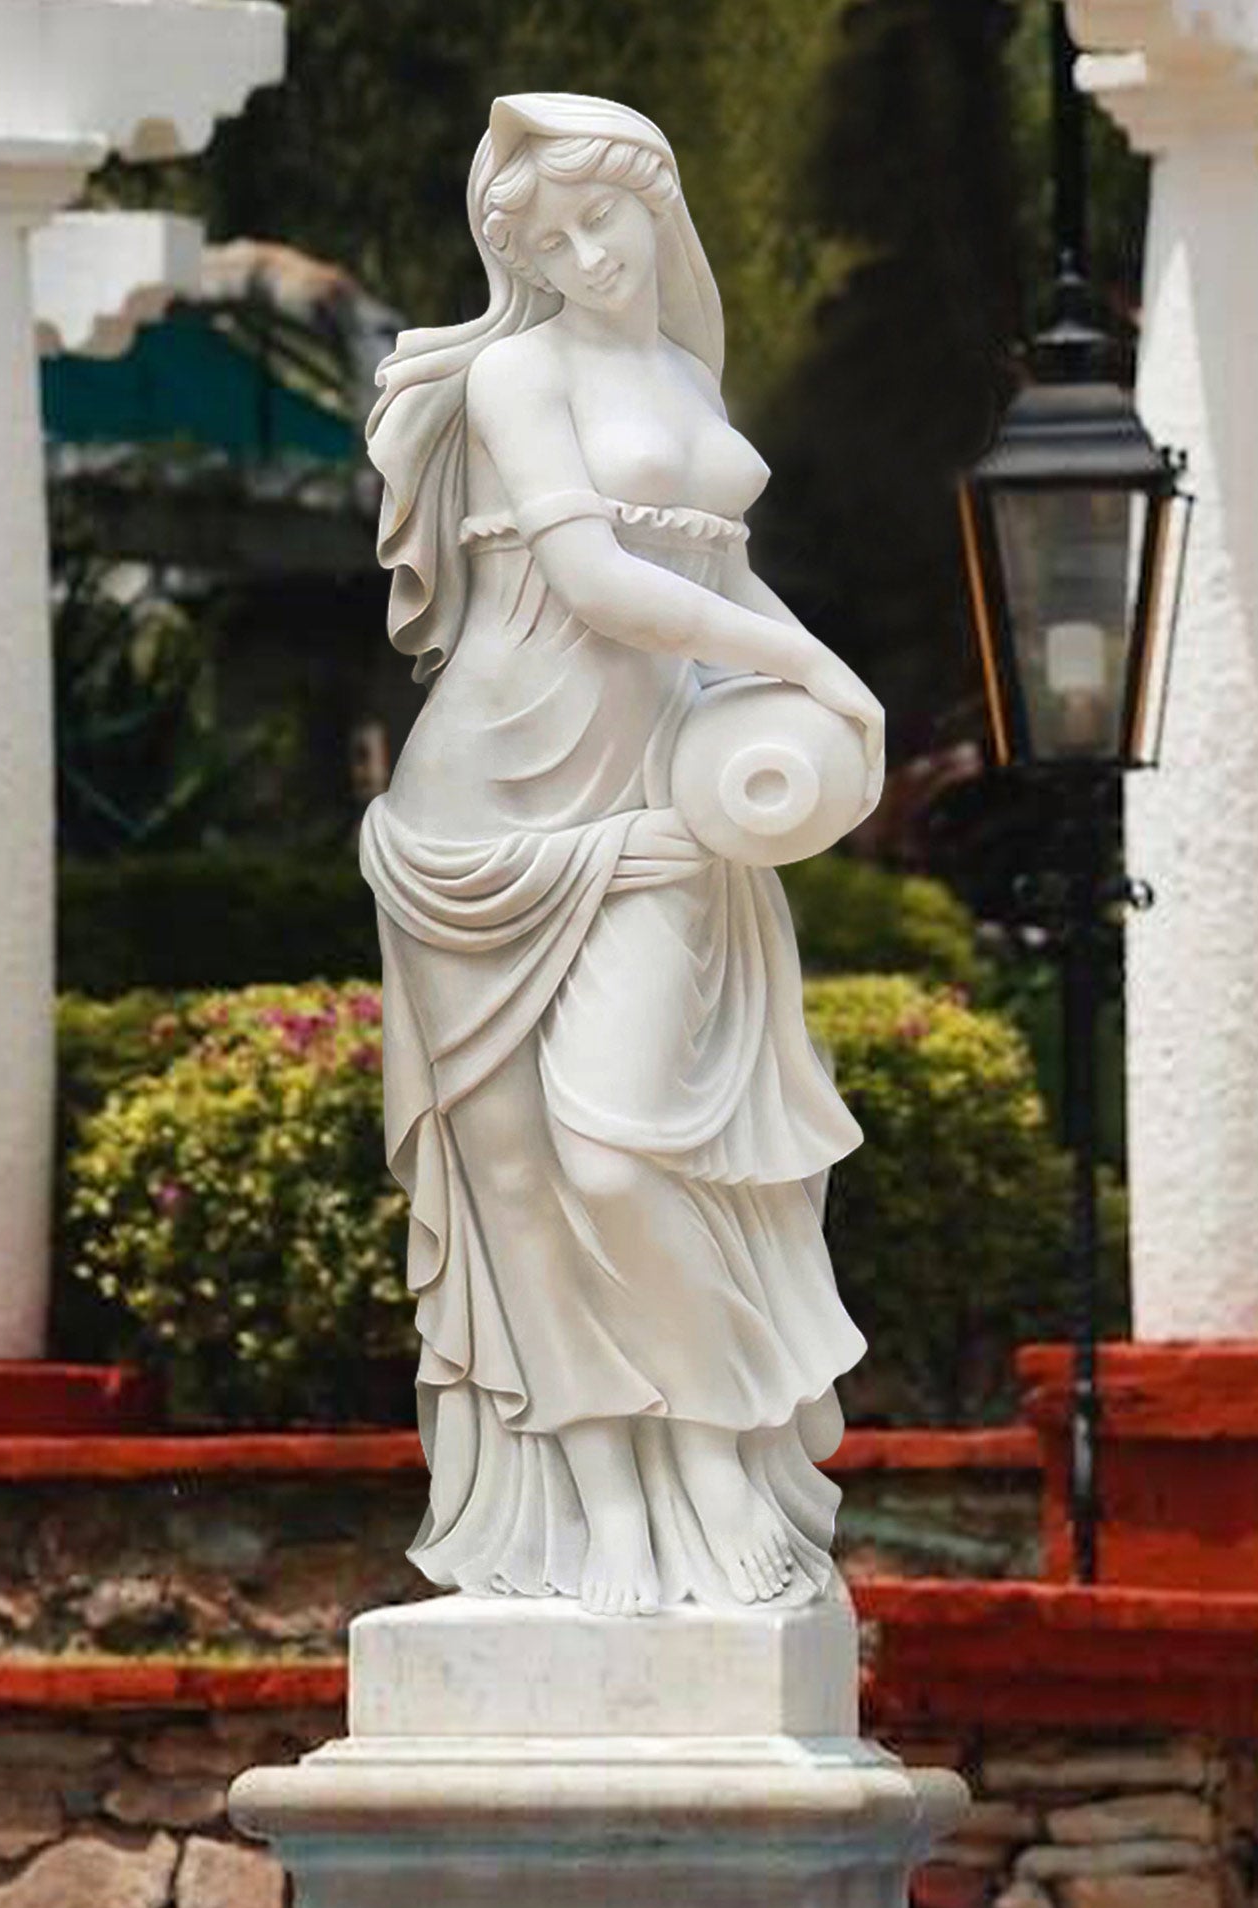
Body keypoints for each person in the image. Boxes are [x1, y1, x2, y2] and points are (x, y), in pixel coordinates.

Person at [362, 93, 884, 1616]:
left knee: (622, 1148)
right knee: (518, 1174)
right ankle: (599, 1513)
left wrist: (812, 689)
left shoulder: (683, 368)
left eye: (612, 219)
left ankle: (718, 1458)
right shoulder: (519, 374)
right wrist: (819, 673)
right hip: (487, 800)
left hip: (660, 792)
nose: (590, 254)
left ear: (663, 209)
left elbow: (712, 570)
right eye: (551, 234)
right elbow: (592, 576)